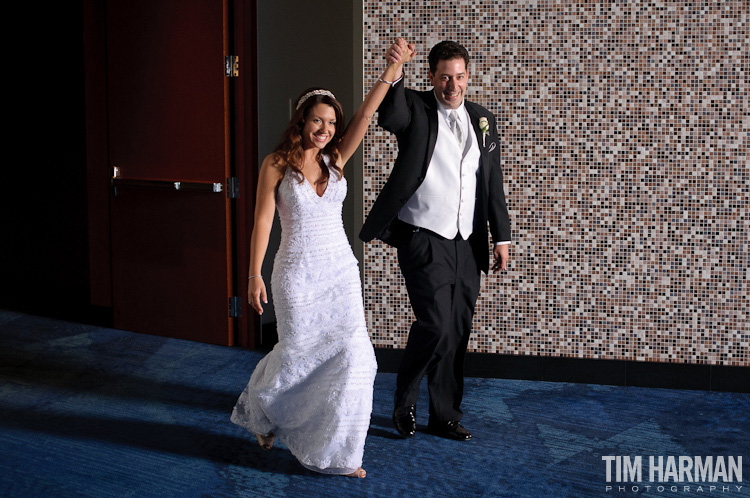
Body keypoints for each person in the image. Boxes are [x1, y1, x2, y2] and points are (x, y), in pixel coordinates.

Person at [230, 44, 415, 478]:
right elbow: (261, 222)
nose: (326, 129)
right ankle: (263, 406)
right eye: (318, 120)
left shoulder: (337, 160)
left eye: (332, 122)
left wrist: (392, 70)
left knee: (355, 356)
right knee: (296, 355)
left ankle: (342, 454)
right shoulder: (276, 165)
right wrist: (253, 273)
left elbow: (366, 117)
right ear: (301, 120)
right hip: (295, 273)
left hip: (339, 272)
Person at [359, 39, 511, 441]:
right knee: (436, 323)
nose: (452, 85)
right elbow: (389, 117)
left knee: (457, 329)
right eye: (444, 77)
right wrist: (394, 70)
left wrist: (502, 237)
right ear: (431, 76)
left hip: (467, 241)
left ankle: (444, 415)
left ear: (468, 76)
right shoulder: (414, 106)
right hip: (423, 236)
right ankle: (404, 402)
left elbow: (491, 184)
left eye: (459, 77)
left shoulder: (483, 120)